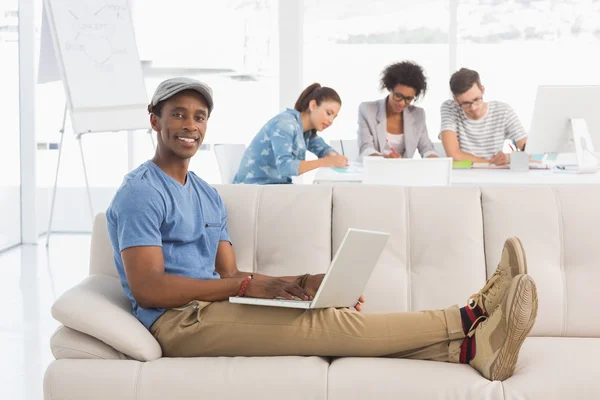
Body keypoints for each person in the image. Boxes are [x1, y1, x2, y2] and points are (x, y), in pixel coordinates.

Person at [106, 77, 538, 382]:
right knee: (326, 328)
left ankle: (469, 350)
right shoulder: (142, 193)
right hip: (177, 324)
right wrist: (252, 285)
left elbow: (229, 277)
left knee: (328, 314)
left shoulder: (208, 194)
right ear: (155, 120)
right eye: (178, 115)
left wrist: (297, 285)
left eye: (199, 117)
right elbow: (149, 290)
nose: (190, 126)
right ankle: (470, 316)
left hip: (210, 309)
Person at [233, 83, 348, 185]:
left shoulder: (306, 131)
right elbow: (285, 167)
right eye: (328, 113)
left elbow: (324, 149)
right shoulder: (285, 124)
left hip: (275, 187)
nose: (331, 121)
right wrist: (325, 162)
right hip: (254, 188)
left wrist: (332, 156)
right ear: (313, 105)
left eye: (334, 117)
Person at [440, 68, 527, 165]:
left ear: (482, 90)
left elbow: (528, 150)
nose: (473, 108)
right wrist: (491, 163)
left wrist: (509, 158)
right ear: (456, 100)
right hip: (463, 176)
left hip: (493, 175)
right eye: (466, 103)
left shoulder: (503, 111)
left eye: (476, 99)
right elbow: (454, 155)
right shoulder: (450, 108)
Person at [357, 61, 438, 159]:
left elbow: (427, 147)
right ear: (390, 88)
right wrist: (384, 158)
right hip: (375, 169)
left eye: (408, 99)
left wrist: (432, 157)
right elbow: (366, 148)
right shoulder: (367, 110)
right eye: (398, 96)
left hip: (403, 172)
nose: (402, 103)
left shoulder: (418, 114)